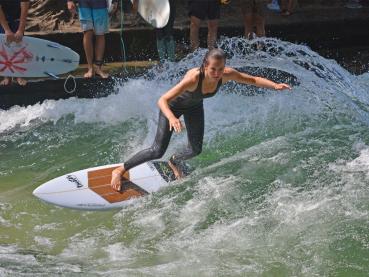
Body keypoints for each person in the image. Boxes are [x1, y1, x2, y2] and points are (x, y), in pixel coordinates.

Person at [110, 49, 291, 191]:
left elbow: (252, 79)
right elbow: (162, 100)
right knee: (157, 150)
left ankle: (174, 161)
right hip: (172, 108)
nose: (217, 73)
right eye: (213, 69)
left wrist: (274, 85)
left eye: (220, 69)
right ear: (205, 65)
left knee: (196, 149)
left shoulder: (226, 74)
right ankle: (120, 170)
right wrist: (172, 119)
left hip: (194, 107)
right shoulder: (194, 78)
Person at [67, 0, 118, 78]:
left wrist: (115, 2)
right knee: (87, 32)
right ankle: (90, 68)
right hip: (84, 4)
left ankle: (98, 67)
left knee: (100, 34)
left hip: (101, 4)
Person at [0, 0, 30, 86]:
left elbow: (24, 9)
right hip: (3, 19)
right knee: (4, 47)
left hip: (17, 18)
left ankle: (18, 75)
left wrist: (20, 30)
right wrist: (7, 30)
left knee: (18, 45)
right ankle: (7, 76)